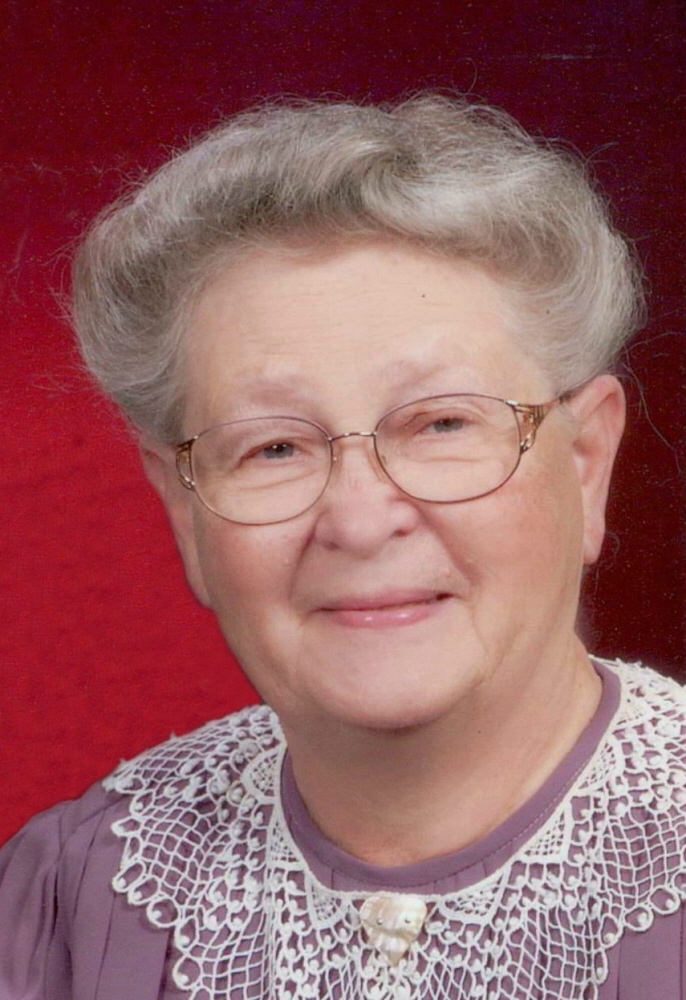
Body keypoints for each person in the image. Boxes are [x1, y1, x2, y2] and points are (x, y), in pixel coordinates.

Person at [0, 93, 683, 1000]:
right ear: (183, 509)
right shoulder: (69, 901)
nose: (359, 521)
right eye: (273, 448)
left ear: (587, 463)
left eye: (442, 424)